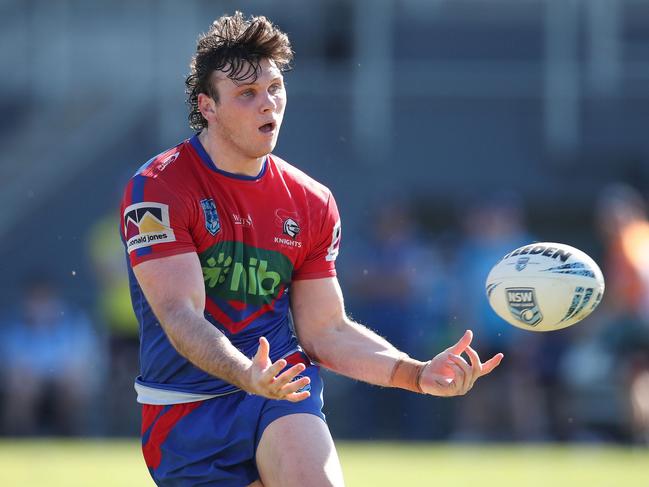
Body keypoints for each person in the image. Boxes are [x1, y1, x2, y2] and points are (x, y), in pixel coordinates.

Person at [120, 12, 503, 487]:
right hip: (183, 408)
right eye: (247, 95)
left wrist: (417, 373)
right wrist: (245, 372)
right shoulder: (157, 189)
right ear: (208, 106)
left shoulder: (310, 201)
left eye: (275, 88)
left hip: (280, 388)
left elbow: (324, 331)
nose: (269, 106)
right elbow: (180, 315)